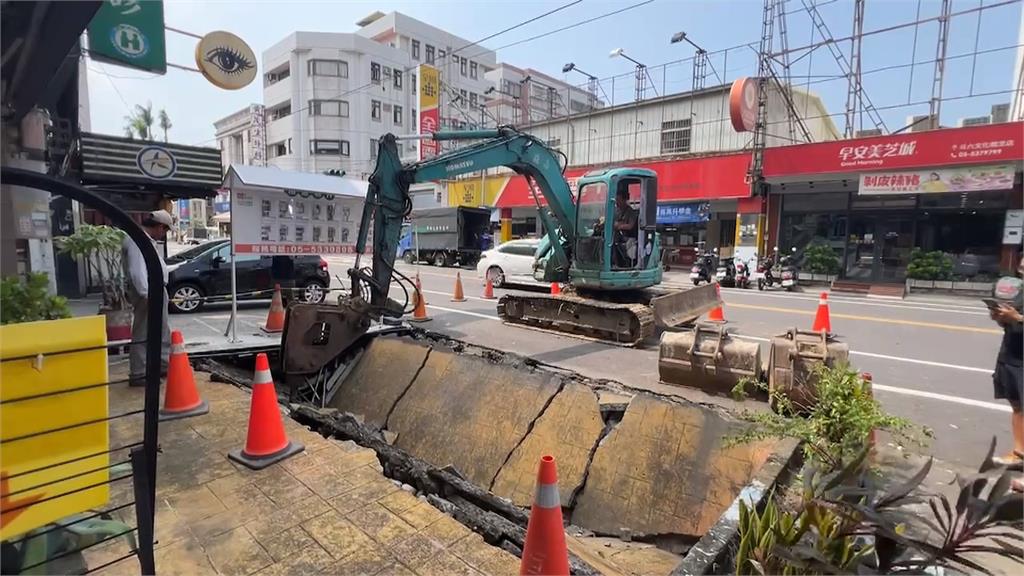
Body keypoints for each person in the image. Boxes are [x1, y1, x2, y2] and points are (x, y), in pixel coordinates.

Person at [123, 209, 172, 387]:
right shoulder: (138, 242)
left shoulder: (145, 241)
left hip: (155, 291)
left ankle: (162, 365)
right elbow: (136, 271)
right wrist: (146, 294)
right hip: (149, 293)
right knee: (143, 332)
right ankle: (139, 373)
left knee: (161, 330)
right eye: (165, 230)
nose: (164, 235)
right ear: (160, 227)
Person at [990, 255, 1023, 490]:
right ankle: (1019, 453)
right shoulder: (1019, 292)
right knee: (1017, 405)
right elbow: (1011, 322)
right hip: (1011, 353)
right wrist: (1001, 318)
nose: (1021, 270)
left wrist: (1018, 318)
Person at [612, 186, 638, 268]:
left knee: (613, 241)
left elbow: (630, 226)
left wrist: (619, 226)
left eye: (618, 200)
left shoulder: (631, 212)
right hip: (618, 234)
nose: (617, 202)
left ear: (624, 200)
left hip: (627, 236)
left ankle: (615, 263)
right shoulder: (617, 211)